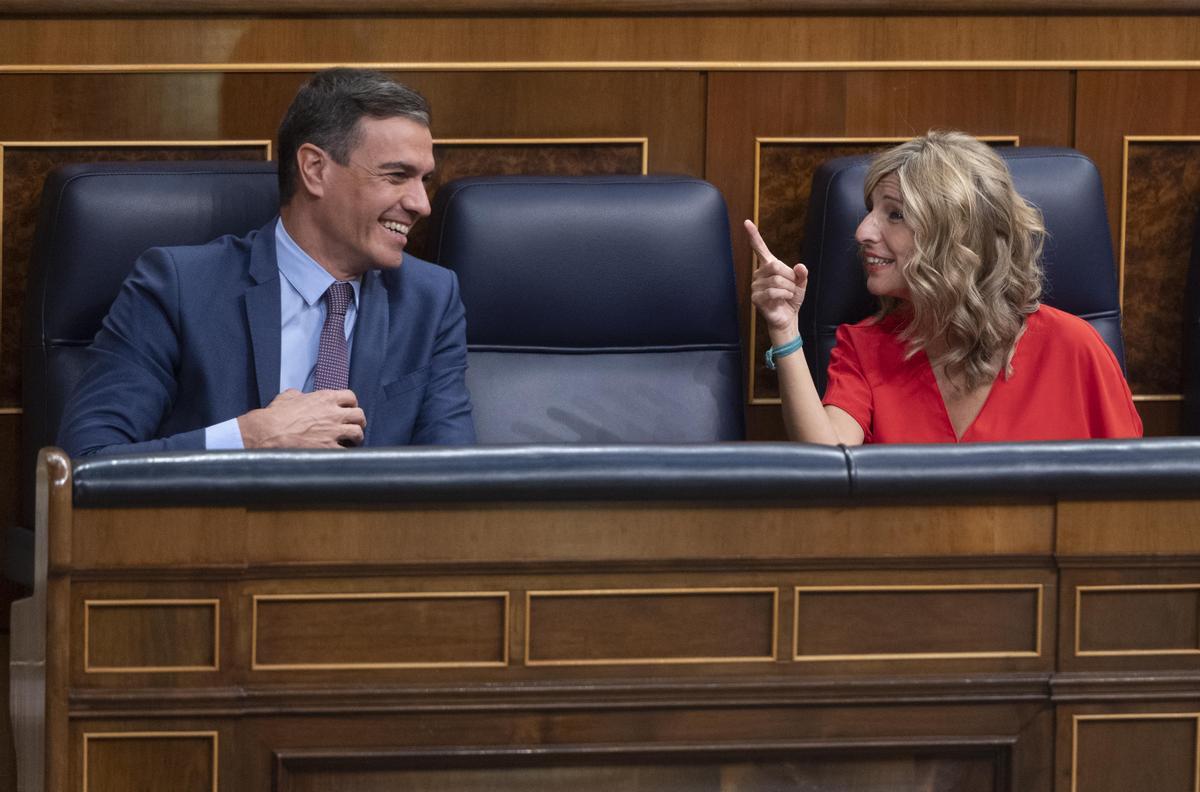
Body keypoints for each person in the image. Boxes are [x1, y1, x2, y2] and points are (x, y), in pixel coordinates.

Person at [58, 68, 475, 455]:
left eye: (425, 180)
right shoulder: (179, 287)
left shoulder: (430, 300)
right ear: (315, 169)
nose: (421, 204)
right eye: (396, 176)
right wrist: (249, 437)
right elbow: (89, 462)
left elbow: (457, 484)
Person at [746, 130, 1142, 445]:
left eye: (895, 214)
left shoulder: (1075, 348)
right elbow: (826, 464)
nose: (862, 231)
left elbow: (1130, 496)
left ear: (959, 237)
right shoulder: (865, 348)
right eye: (870, 211)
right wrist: (784, 329)